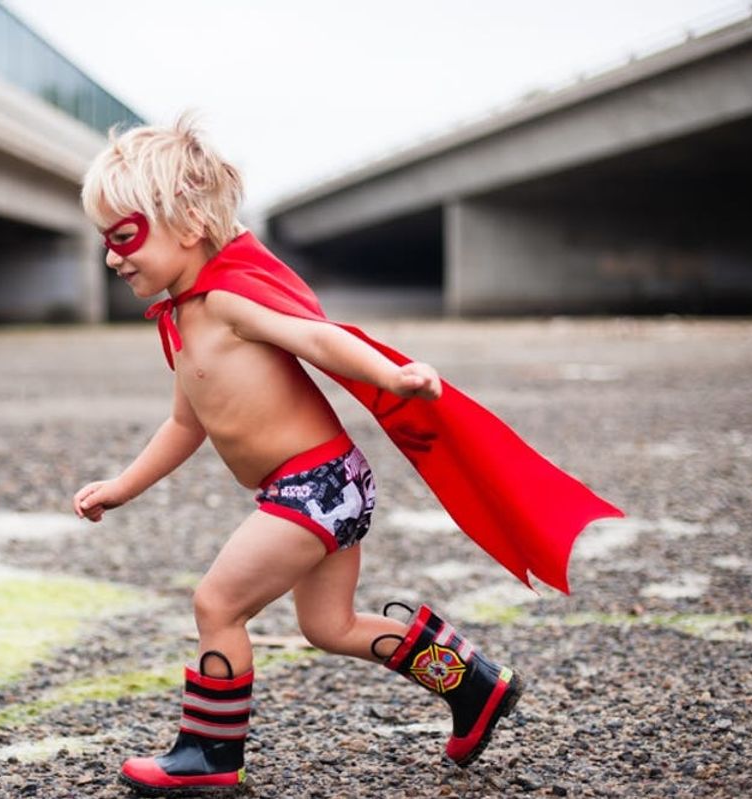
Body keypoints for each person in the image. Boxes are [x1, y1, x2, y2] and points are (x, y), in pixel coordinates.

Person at [71, 114, 618, 795]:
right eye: (105, 241)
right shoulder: (183, 322)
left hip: (316, 485)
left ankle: (209, 753)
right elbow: (185, 424)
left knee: (218, 604)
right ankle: (474, 683)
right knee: (328, 626)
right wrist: (122, 485)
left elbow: (320, 339)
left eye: (124, 236)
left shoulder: (227, 303)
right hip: (325, 485)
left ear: (186, 222)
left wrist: (391, 377)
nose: (111, 257)